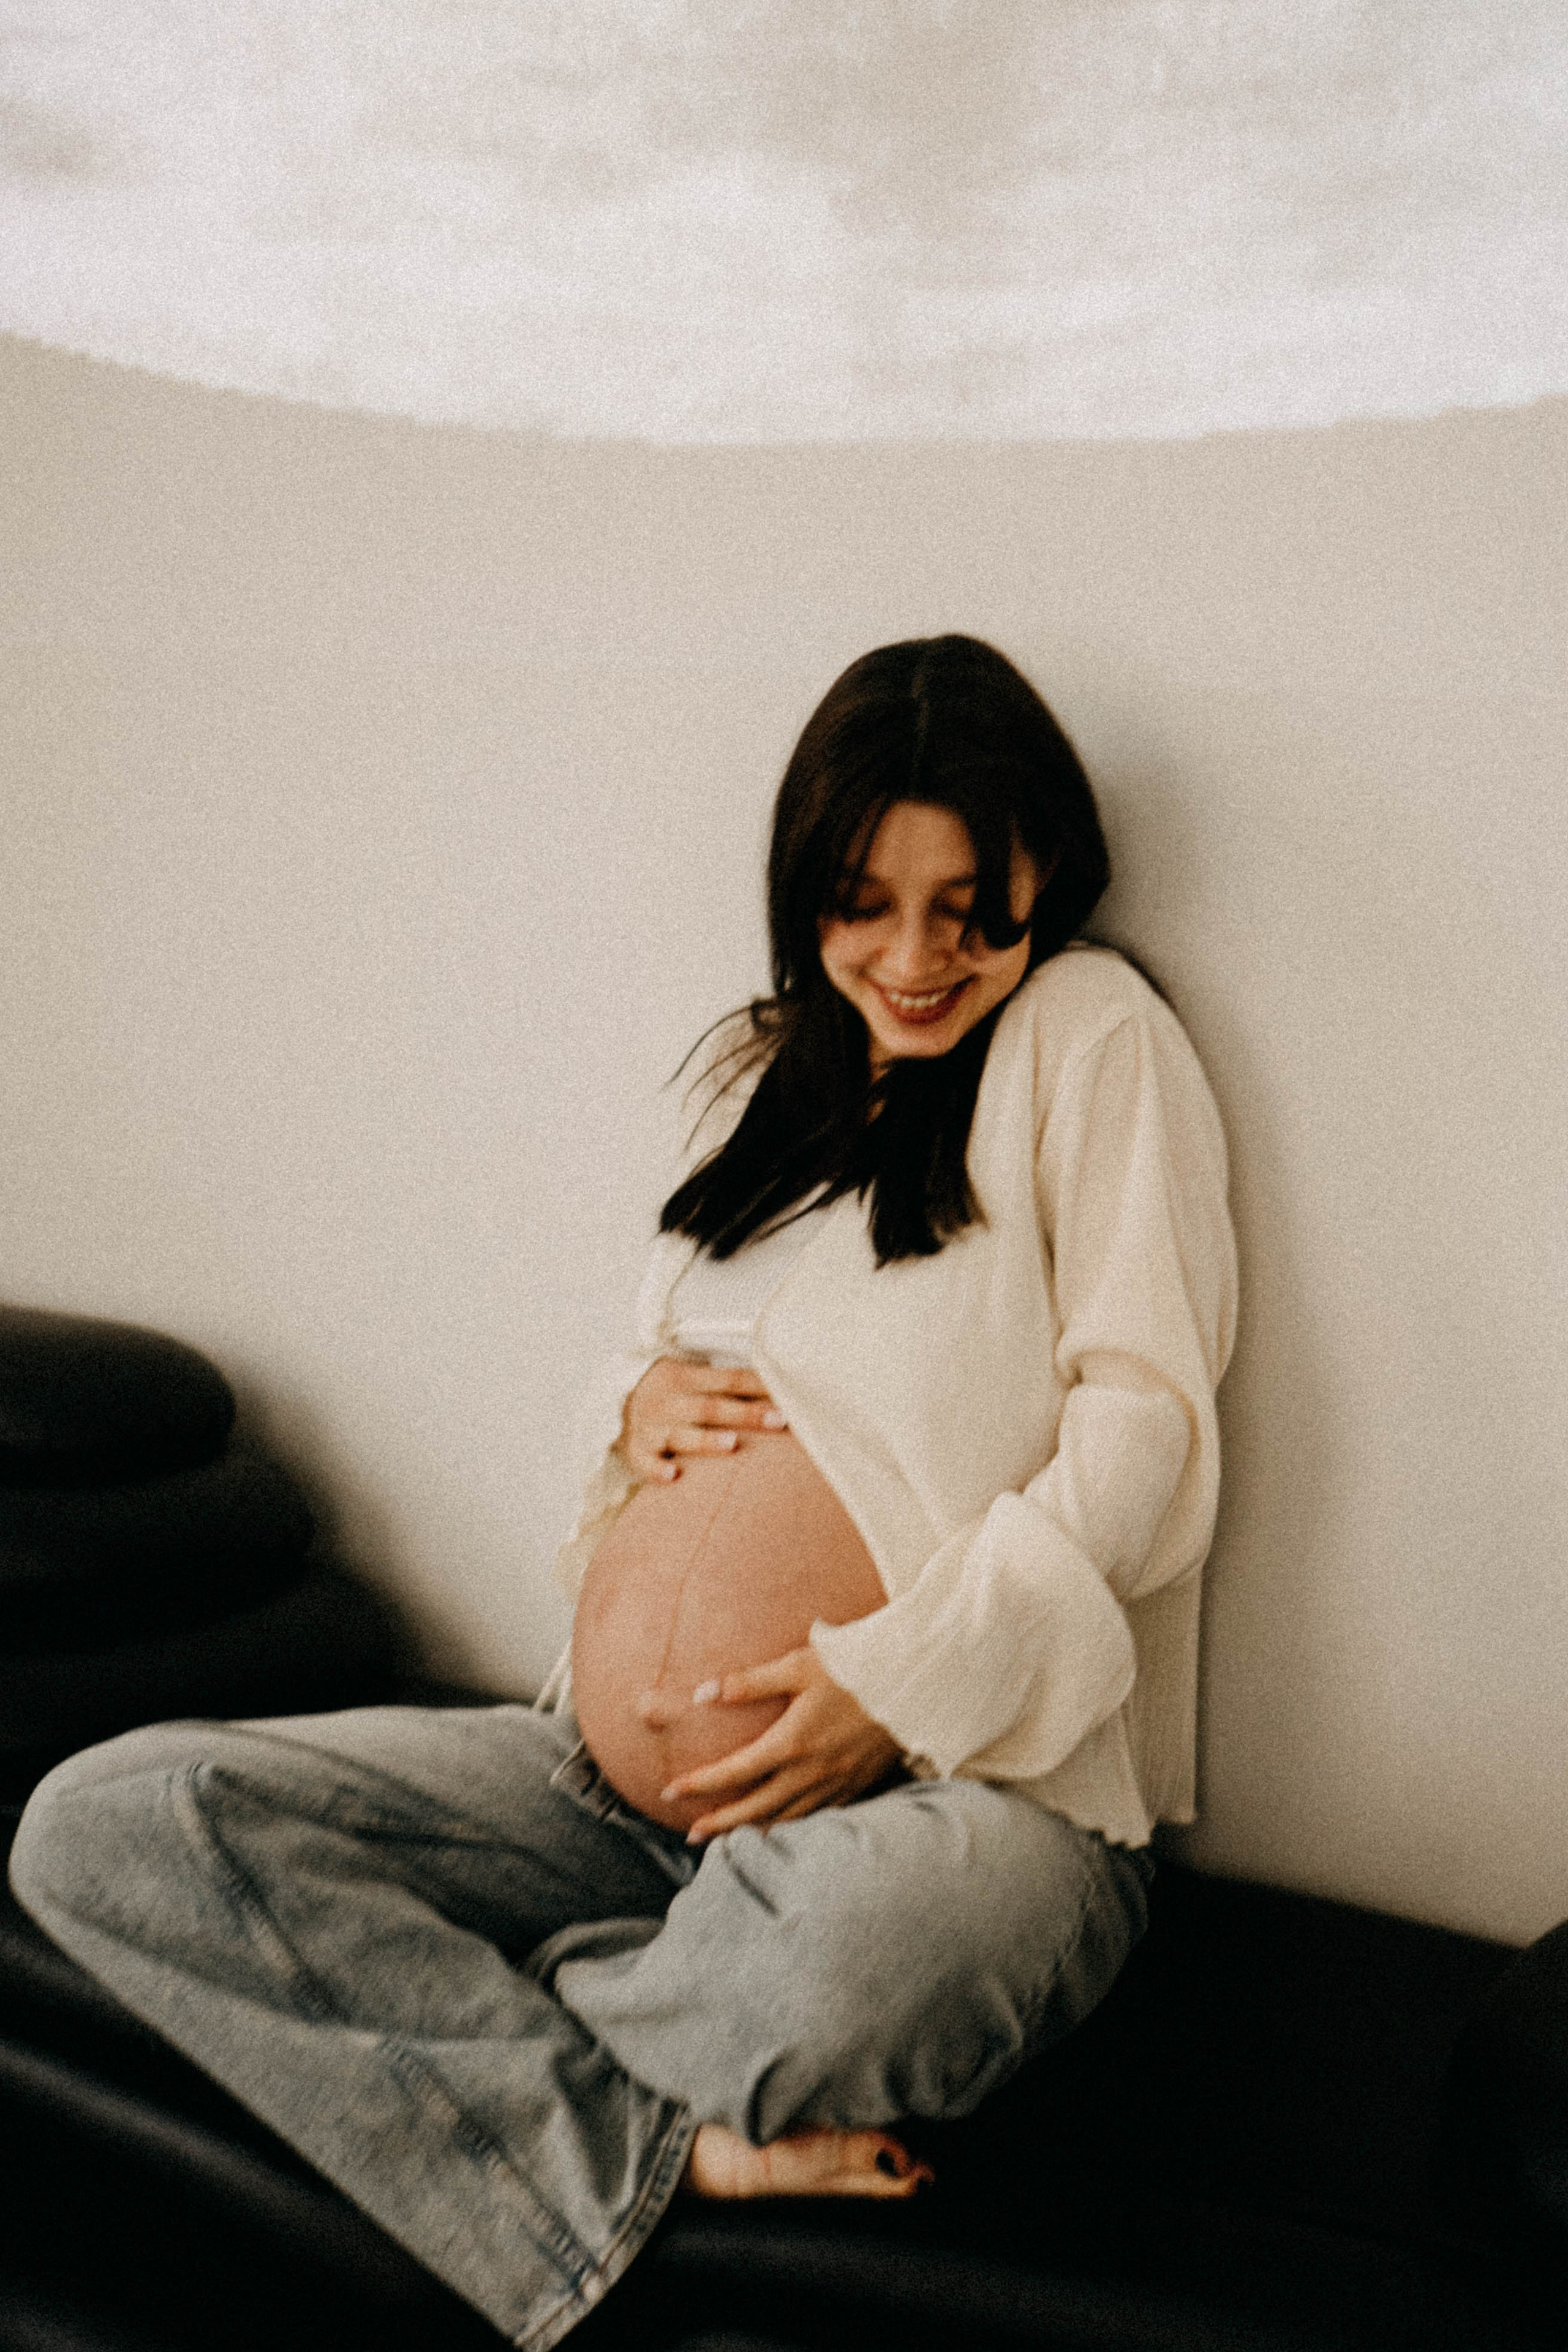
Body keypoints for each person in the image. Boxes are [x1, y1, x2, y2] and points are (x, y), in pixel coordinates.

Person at [10, 635, 1237, 2352]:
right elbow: (659, 1380)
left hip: (967, 1799)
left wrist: (894, 1688)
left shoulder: (1092, 1037)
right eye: (864, 901)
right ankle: (656, 2137)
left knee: (834, 1968)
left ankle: (453, 2067)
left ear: (1047, 876)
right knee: (114, 1826)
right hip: (609, 1797)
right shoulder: (761, 1073)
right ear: (802, 886)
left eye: (974, 904)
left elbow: (1146, 1431)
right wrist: (632, 1402)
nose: (917, 955)